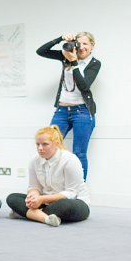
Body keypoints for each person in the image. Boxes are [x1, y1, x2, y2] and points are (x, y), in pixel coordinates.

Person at [37, 32, 101, 180]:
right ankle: (47, 186)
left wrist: (73, 63)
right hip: (62, 111)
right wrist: (60, 38)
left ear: (92, 46)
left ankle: (79, 192)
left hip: (83, 112)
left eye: (86, 44)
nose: (82, 47)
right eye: (79, 43)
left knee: (79, 153)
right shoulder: (66, 56)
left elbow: (84, 86)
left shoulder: (94, 63)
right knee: (48, 146)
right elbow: (40, 51)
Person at [6, 125, 90, 227]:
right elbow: (34, 187)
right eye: (38, 144)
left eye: (45, 144)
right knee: (12, 198)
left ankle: (28, 213)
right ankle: (46, 218)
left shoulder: (70, 160)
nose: (40, 148)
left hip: (74, 201)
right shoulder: (34, 161)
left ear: (56, 144)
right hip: (45, 202)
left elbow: (71, 193)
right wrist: (34, 195)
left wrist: (41, 199)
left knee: (64, 205)